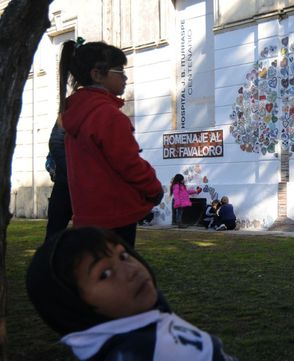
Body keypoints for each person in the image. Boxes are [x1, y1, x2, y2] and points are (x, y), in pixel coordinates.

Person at [26, 226, 236, 361]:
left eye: (124, 255)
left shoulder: (136, 317)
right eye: (105, 274)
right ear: (70, 306)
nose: (131, 270)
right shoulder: (135, 353)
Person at [59, 38, 163, 247]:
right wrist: (154, 189)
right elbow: (128, 163)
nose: (125, 78)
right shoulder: (107, 115)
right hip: (116, 214)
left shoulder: (75, 112)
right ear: (97, 74)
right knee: (120, 274)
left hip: (88, 214)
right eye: (119, 71)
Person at [44, 115, 73, 241]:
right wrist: (72, 171)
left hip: (85, 183)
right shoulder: (68, 113)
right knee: (54, 232)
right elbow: (56, 142)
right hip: (65, 182)